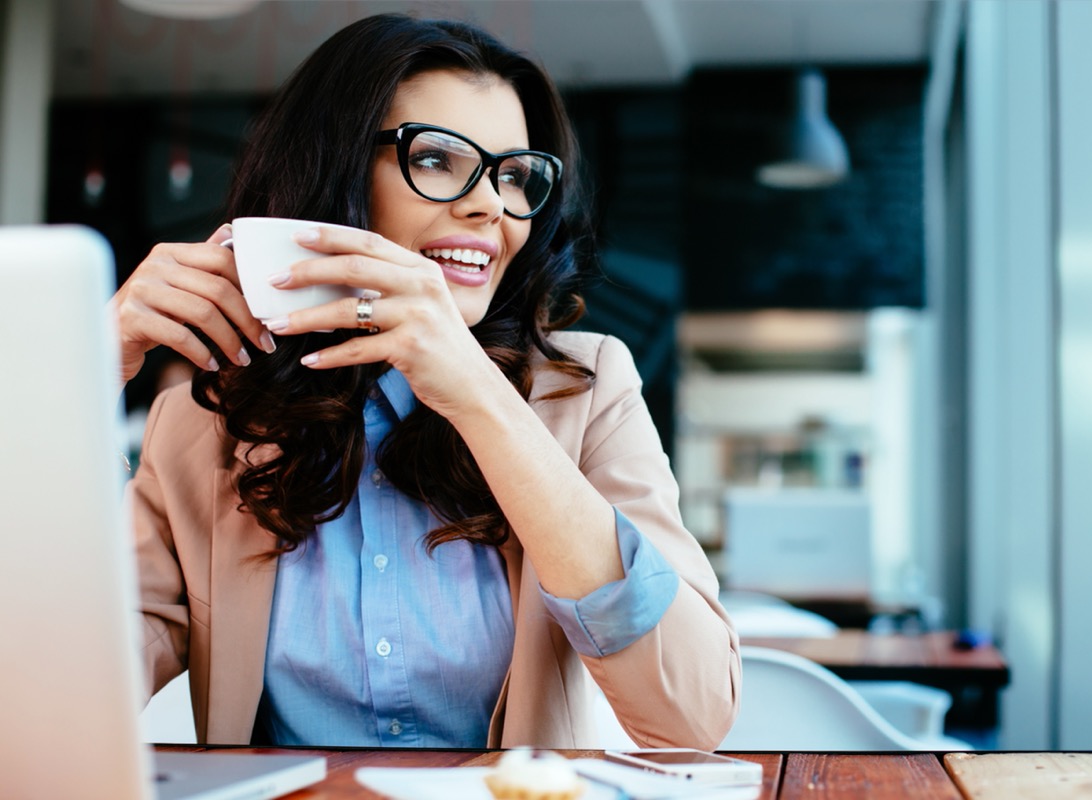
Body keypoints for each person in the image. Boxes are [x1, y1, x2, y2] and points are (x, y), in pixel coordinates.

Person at [110, 13, 740, 749]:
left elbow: (692, 716)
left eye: (514, 175)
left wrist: (477, 395)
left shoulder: (588, 389)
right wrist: (82, 382)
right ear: (333, 173)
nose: (489, 205)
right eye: (438, 158)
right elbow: (51, 691)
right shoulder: (204, 420)